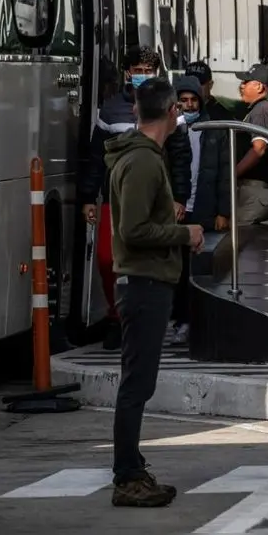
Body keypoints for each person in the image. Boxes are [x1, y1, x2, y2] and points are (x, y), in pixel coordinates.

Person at [106, 77, 205, 506]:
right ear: (171, 113)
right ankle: (128, 476)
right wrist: (185, 234)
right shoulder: (143, 162)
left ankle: (131, 468)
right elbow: (133, 229)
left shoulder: (142, 157)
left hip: (147, 281)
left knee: (138, 382)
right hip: (144, 282)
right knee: (136, 384)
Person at [79, 46, 192, 350]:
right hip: (113, 195)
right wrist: (88, 197)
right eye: (138, 70)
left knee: (155, 258)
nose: (143, 76)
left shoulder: (171, 110)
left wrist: (180, 198)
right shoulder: (111, 109)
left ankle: (153, 318)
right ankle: (117, 318)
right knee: (106, 259)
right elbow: (95, 156)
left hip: (158, 196)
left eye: (148, 70)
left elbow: (181, 158)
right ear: (127, 72)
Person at [169, 75, 232, 344]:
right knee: (178, 270)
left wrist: (223, 211)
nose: (190, 105)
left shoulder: (215, 129)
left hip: (204, 209)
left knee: (202, 269)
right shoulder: (172, 130)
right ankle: (180, 319)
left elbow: (224, 172)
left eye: (194, 100)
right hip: (179, 210)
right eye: (183, 100)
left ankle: (196, 321)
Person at [234, 63, 268, 224]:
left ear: (259, 87)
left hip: (256, 191)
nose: (241, 86)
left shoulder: (263, 109)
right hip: (255, 189)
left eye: (245, 82)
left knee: (239, 237)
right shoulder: (260, 108)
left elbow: (259, 148)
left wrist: (232, 174)